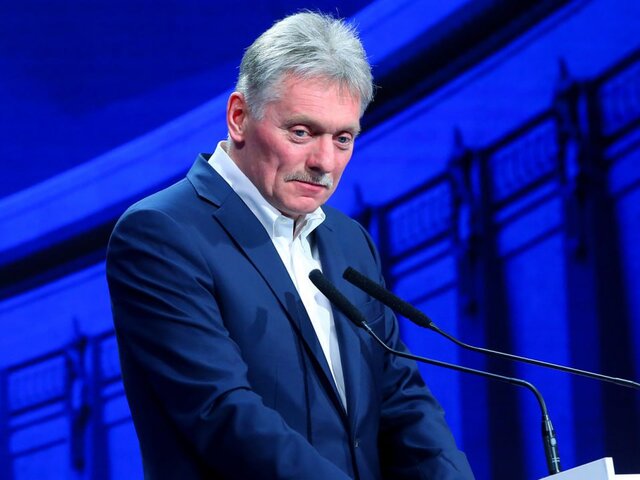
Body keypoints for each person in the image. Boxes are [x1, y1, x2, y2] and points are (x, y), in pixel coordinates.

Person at [106, 11, 474, 480]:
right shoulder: (163, 233)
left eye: (343, 138)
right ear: (239, 117)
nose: (324, 162)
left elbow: (400, 396)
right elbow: (222, 414)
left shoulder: (349, 240)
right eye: (302, 132)